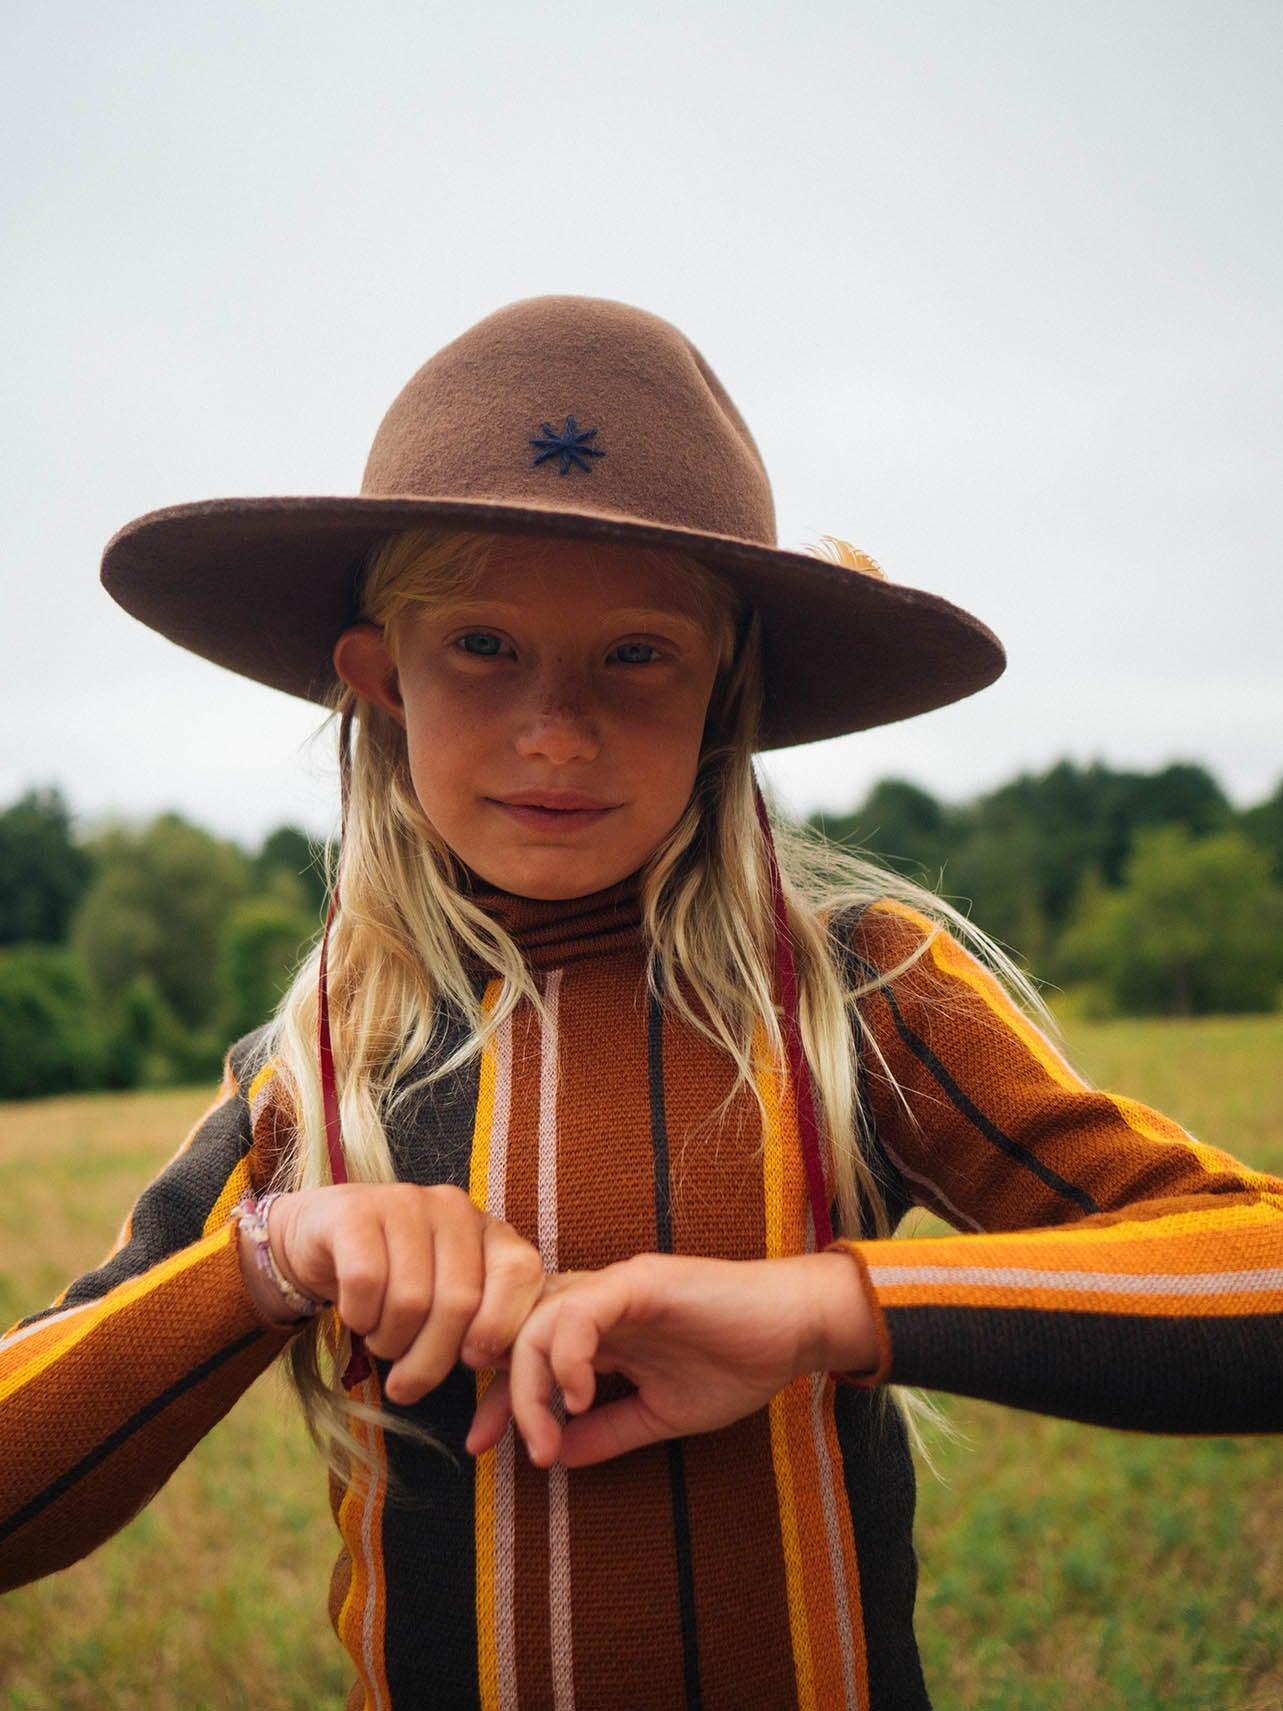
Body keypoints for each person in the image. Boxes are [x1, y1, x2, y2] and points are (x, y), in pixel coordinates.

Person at [2, 294, 1279, 1710]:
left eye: (636, 653)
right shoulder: (315, 1066)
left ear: (723, 682)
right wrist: (268, 1258)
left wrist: (825, 1308)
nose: (558, 727)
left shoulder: (868, 993)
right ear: (379, 682)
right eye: (482, 645)